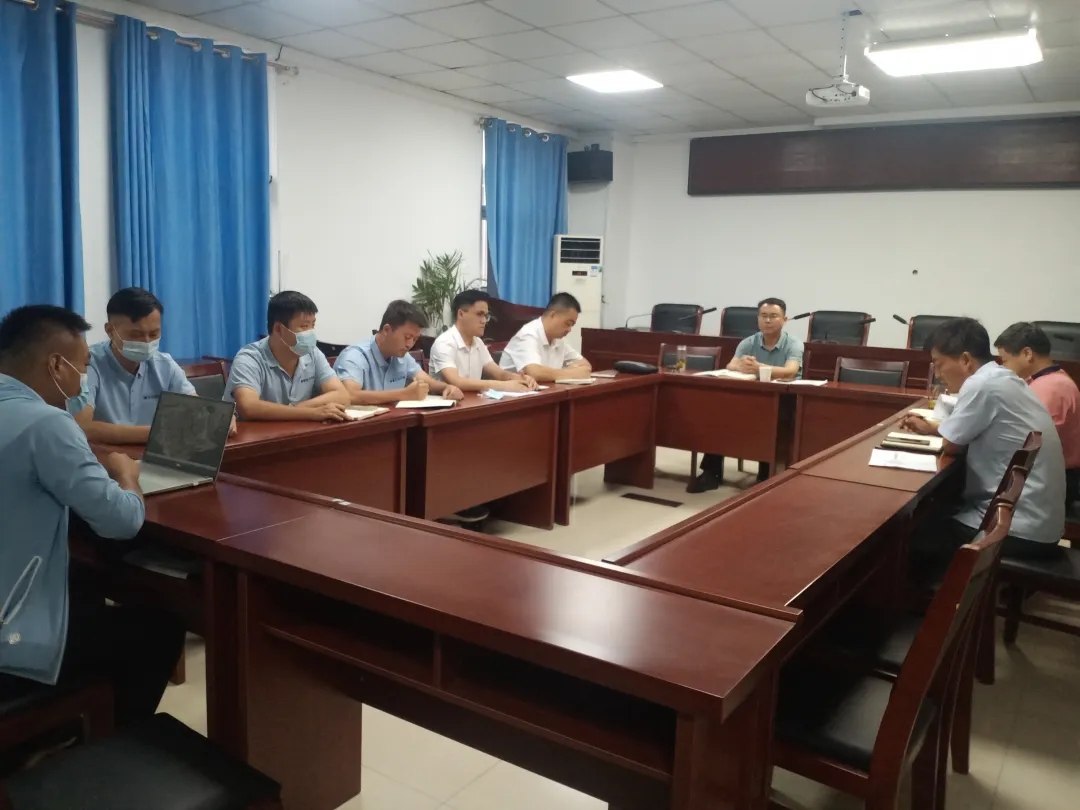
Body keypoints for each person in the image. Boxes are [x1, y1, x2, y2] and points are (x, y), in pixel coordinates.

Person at [0, 305, 184, 729]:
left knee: (86, 580)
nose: (83, 378)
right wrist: (126, 475)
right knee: (158, 629)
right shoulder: (47, 423)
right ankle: (114, 742)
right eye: (83, 367)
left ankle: (74, 726)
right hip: (13, 639)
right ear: (55, 365)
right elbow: (122, 521)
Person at [900, 318, 1066, 574]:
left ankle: (935, 596)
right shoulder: (1002, 378)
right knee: (937, 511)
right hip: (1039, 522)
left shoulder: (981, 384)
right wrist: (933, 429)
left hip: (1016, 529)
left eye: (939, 364)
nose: (938, 373)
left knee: (909, 534)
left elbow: (952, 446)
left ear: (965, 360)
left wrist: (942, 434)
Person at [73, 287, 235, 444]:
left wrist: (220, 418)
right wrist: (158, 433)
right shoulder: (88, 363)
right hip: (104, 457)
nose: (146, 342)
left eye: (153, 334)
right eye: (136, 334)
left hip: (154, 453)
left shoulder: (164, 364)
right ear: (110, 331)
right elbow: (82, 426)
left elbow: (197, 408)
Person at [688, 297, 803, 493]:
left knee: (769, 420)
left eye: (773, 316)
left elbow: (790, 371)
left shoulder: (793, 343)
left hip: (784, 401)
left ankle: (765, 475)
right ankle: (711, 473)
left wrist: (759, 368)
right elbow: (731, 364)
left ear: (784, 320)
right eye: (763, 316)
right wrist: (742, 365)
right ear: (758, 318)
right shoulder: (749, 342)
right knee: (719, 418)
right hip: (751, 397)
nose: (768, 320)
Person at [224, 291, 351, 421]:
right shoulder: (249, 358)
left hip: (297, 431)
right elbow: (248, 407)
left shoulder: (312, 353)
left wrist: (298, 409)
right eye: (304, 326)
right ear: (279, 329)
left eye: (313, 325)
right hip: (256, 433)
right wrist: (312, 413)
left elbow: (342, 395)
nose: (311, 333)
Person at [995, 322, 1080, 511]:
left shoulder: (1052, 389)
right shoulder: (1049, 380)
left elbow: (1028, 442)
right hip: (1051, 474)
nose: (1004, 367)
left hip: (1055, 481)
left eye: (1005, 361)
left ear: (1027, 354)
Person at [335, 300, 464, 405]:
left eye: (415, 339)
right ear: (387, 330)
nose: (410, 344)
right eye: (407, 337)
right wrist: (404, 394)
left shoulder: (402, 356)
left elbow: (427, 382)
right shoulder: (354, 356)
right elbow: (349, 395)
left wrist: (447, 387)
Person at [429, 290, 538, 394]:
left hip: (474, 402)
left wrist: (521, 379)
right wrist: (504, 385)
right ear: (461, 314)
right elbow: (457, 382)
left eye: (486, 316)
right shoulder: (444, 343)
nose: (484, 321)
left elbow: (499, 374)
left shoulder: (478, 343)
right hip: (448, 404)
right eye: (479, 314)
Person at [499, 292, 592, 382]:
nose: (569, 329)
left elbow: (586, 365)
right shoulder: (528, 335)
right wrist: (573, 373)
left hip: (545, 390)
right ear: (553, 315)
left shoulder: (558, 340)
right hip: (512, 392)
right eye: (567, 323)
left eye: (572, 325)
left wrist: (572, 371)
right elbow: (535, 373)